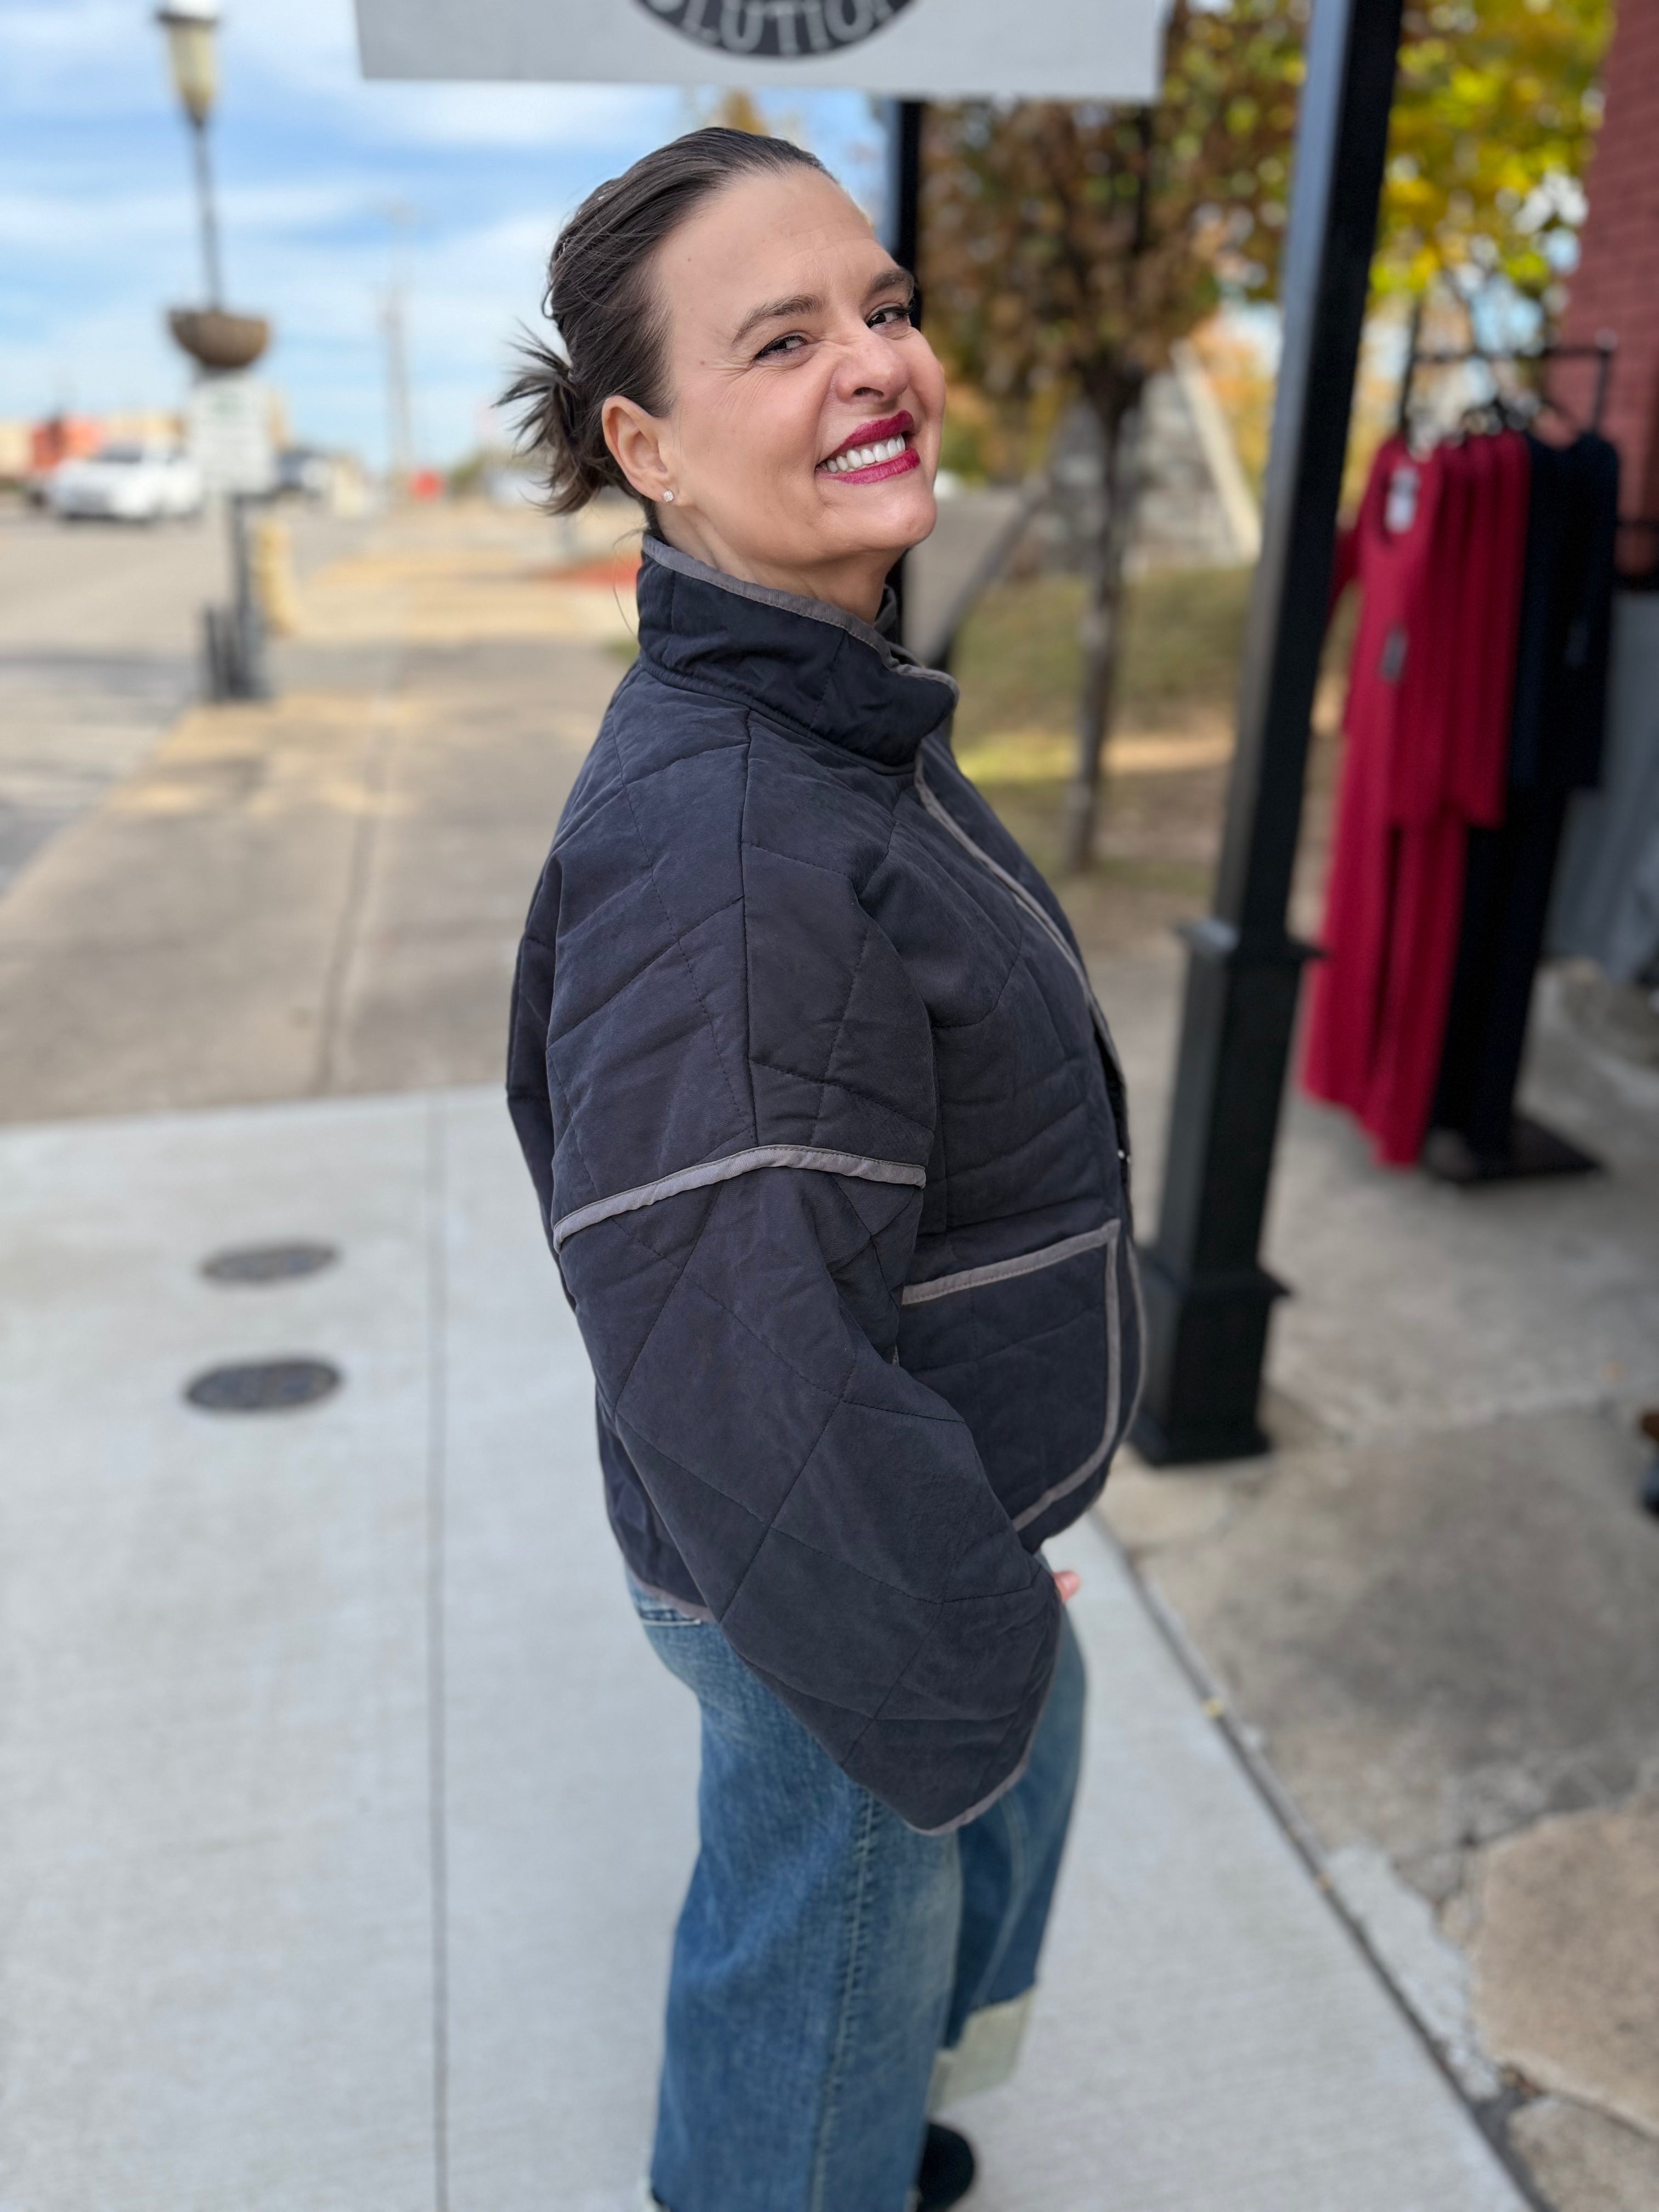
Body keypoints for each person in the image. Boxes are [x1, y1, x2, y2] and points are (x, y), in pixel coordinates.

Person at [504, 128, 1141, 2212]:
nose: (875, 362)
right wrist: (954, 1635)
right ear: (650, 444)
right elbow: (744, 1366)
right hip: (844, 1570)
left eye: (883, 307)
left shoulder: (828, 713)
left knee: (849, 1956)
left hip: (904, 1520)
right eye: (780, 340)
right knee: (814, 1976)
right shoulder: (742, 847)